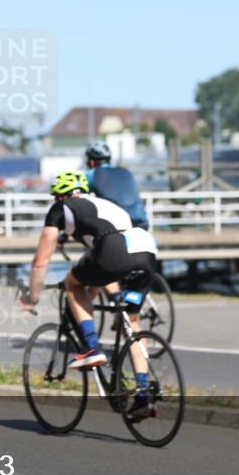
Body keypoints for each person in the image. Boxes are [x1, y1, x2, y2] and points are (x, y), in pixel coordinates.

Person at [18, 171, 157, 409]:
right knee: (132, 324)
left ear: (60, 196)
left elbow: (41, 260)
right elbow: (109, 251)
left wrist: (32, 296)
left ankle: (92, 348)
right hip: (145, 251)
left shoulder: (61, 208)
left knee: (73, 284)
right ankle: (143, 393)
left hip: (114, 252)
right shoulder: (104, 204)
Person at [85, 140, 155, 334]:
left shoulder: (92, 175)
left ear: (91, 161)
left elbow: (79, 202)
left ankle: (117, 303)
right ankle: (131, 302)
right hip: (140, 223)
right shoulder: (126, 172)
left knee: (103, 260)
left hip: (117, 224)